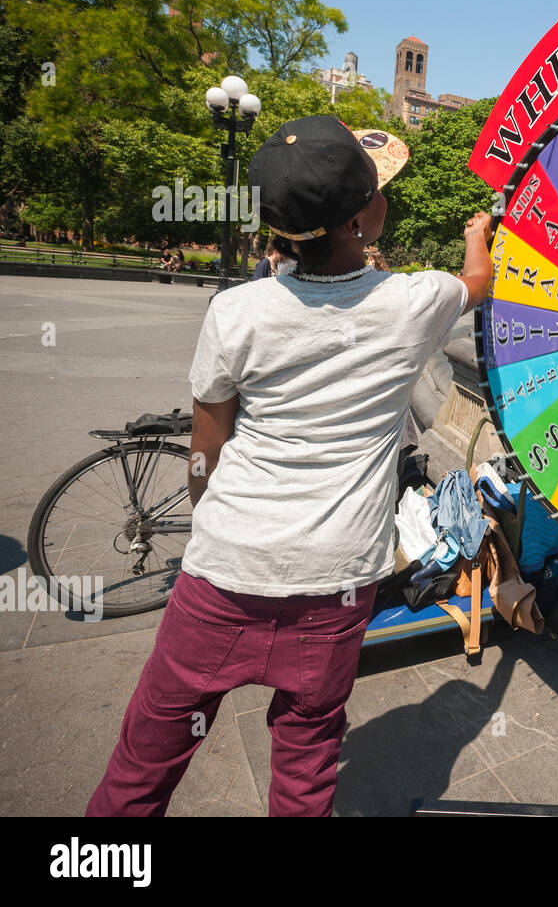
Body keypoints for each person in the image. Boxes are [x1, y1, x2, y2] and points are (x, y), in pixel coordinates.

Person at [87, 116, 494, 817]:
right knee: (306, 767)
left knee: (145, 759)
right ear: (367, 214)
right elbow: (478, 283)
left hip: (222, 576)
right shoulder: (414, 301)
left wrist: (212, 514)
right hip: (333, 584)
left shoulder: (236, 311)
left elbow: (205, 451)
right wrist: (476, 232)